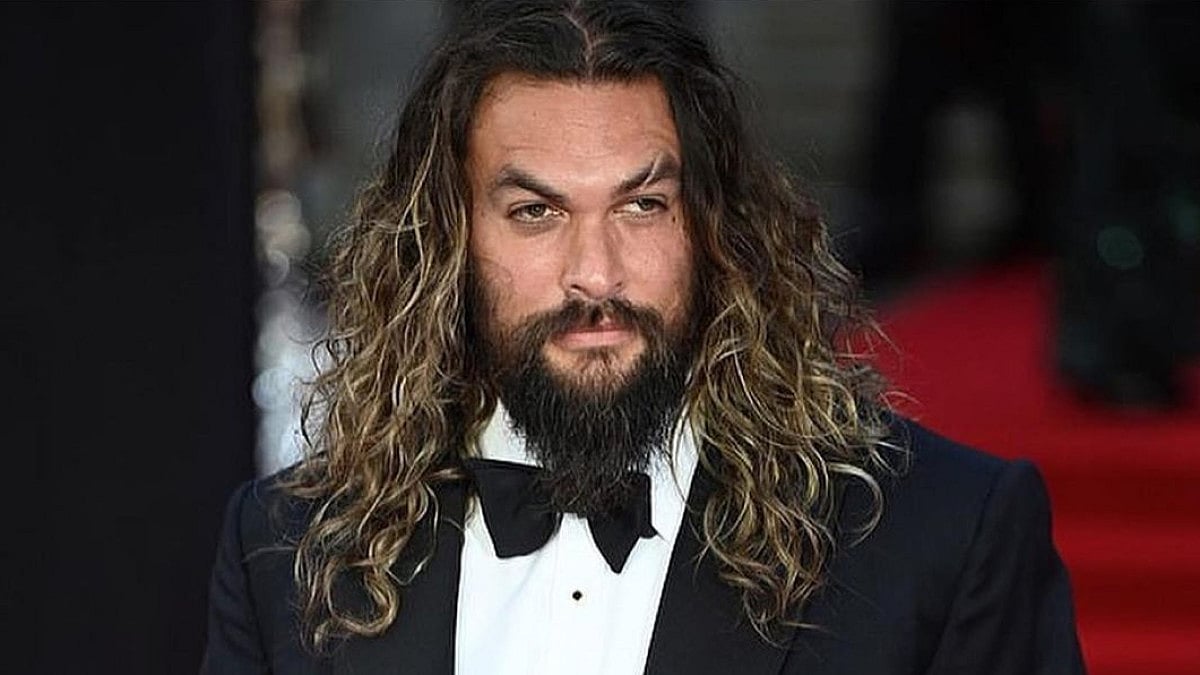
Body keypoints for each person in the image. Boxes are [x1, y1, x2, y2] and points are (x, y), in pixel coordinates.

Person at [202, 2, 1085, 673]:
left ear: (715, 230)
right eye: (536, 212)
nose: (597, 274)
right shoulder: (289, 551)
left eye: (642, 205)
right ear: (446, 242)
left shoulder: (942, 536)